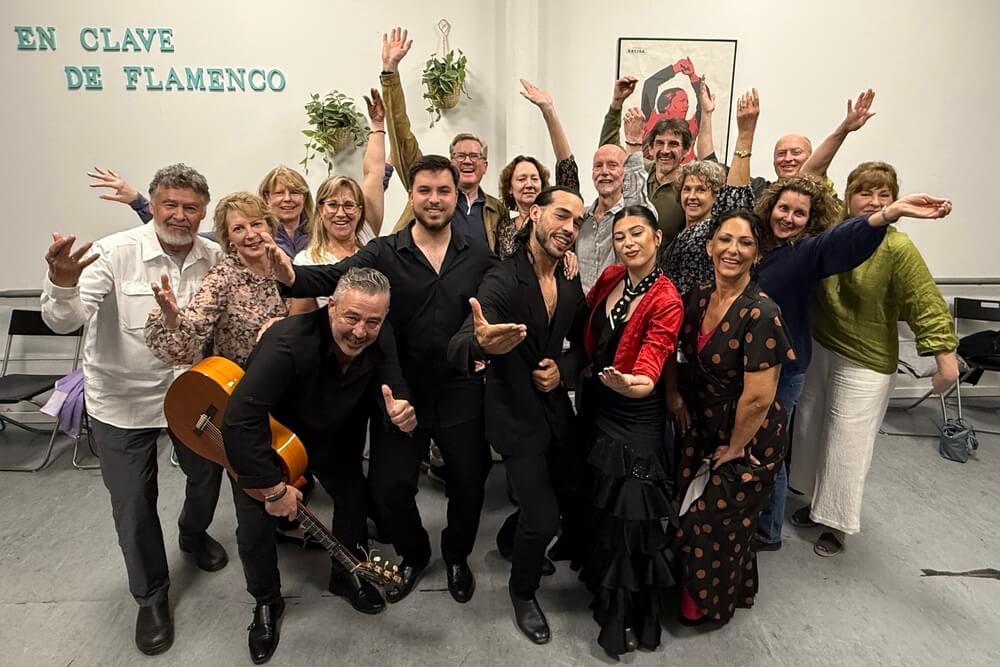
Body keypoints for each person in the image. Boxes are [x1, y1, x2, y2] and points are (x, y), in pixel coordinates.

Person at [269, 155, 496, 605]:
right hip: (397, 392)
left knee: (469, 483)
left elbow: (505, 288)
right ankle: (414, 551)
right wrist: (289, 274)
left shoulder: (478, 254)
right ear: (411, 196)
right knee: (389, 489)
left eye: (444, 191)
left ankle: (456, 556)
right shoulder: (385, 251)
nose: (434, 200)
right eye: (425, 191)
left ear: (456, 197)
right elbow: (334, 276)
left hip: (460, 393)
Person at [40, 164, 227, 656]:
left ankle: (192, 533)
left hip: (192, 397)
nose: (180, 216)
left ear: (204, 211)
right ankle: (151, 597)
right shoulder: (113, 251)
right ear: (153, 203)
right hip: (122, 403)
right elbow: (66, 319)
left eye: (191, 207)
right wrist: (61, 282)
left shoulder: (216, 256)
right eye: (171, 205)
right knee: (133, 504)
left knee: (208, 474)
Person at [223, 267, 416, 664]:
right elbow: (239, 418)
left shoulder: (383, 335)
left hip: (330, 434)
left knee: (353, 495)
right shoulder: (286, 343)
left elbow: (393, 383)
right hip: (269, 438)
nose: (361, 331)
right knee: (254, 528)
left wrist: (400, 408)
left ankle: (344, 573)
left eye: (372, 321)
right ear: (331, 309)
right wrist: (272, 489)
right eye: (351, 317)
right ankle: (266, 602)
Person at [751, 176, 954, 550]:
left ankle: (826, 524)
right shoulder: (767, 244)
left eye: (884, 195)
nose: (873, 201)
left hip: (853, 361)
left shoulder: (824, 247)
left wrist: (890, 215)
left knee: (839, 443)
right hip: (819, 350)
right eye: (865, 193)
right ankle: (814, 505)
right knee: (809, 435)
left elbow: (920, 296)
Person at [447, 185, 588, 645]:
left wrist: (563, 369)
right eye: (561, 216)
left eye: (576, 223)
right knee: (544, 519)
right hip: (512, 414)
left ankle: (511, 541)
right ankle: (522, 592)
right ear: (533, 213)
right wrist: (481, 343)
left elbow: (585, 345)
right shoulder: (503, 279)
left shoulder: (570, 280)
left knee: (568, 496)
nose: (568, 228)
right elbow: (462, 341)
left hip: (554, 411)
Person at [665, 209, 794, 625]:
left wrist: (735, 448)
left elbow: (758, 399)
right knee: (684, 508)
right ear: (709, 246)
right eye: (724, 240)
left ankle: (707, 606)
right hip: (700, 425)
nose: (732, 250)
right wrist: (674, 396)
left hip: (748, 439)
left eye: (744, 243)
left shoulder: (762, 313)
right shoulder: (699, 296)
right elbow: (676, 351)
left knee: (712, 522)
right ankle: (717, 589)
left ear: (757, 255)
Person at [578, 205, 683, 656]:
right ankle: (604, 596)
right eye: (620, 236)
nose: (629, 242)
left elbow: (652, 359)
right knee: (603, 506)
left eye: (637, 233)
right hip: (599, 403)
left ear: (657, 236)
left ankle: (627, 617)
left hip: (636, 413)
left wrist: (635, 385)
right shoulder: (611, 279)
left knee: (631, 513)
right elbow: (585, 324)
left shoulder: (666, 298)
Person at [381, 27, 503, 246]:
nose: (467, 161)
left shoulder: (496, 210)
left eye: (475, 156)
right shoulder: (429, 191)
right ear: (450, 163)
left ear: (485, 166)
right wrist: (390, 73)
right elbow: (400, 133)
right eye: (461, 155)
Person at [144, 192, 287, 367]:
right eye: (238, 229)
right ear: (229, 239)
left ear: (270, 227)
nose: (250, 235)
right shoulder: (221, 278)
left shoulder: (284, 264)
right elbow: (187, 346)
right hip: (242, 383)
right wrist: (171, 320)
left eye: (256, 224)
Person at [87, 163, 316, 259]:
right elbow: (184, 229)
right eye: (279, 193)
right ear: (267, 198)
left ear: (304, 197)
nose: (287, 199)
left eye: (295, 192)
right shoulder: (248, 232)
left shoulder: (317, 233)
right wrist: (138, 201)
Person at [291, 89, 388, 314]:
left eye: (349, 205)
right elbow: (299, 320)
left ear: (360, 210)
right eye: (332, 205)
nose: (341, 213)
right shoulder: (306, 260)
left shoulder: (366, 235)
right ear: (320, 211)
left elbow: (374, 172)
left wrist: (377, 126)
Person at [660, 89, 759, 295]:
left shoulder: (712, 230)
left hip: (702, 314)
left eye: (701, 190)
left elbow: (736, 200)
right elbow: (707, 154)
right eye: (687, 189)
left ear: (716, 197)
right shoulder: (680, 235)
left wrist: (745, 135)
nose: (692, 196)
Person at [598, 76, 715, 243]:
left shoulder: (688, 186)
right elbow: (608, 153)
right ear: (651, 148)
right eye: (660, 143)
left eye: (673, 144)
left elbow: (711, 168)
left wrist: (706, 113)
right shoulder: (641, 169)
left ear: (686, 150)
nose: (665, 150)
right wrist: (616, 104)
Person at [493, 79, 580, 259]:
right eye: (521, 178)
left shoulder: (554, 220)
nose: (529, 184)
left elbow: (567, 166)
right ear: (510, 187)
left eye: (534, 178)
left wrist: (548, 110)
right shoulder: (504, 227)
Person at [578, 107, 657, 294]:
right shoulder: (582, 218)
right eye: (598, 166)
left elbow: (635, 200)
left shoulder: (635, 212)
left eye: (613, 165)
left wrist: (634, 144)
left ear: (625, 171)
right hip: (581, 314)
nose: (604, 171)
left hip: (619, 312)